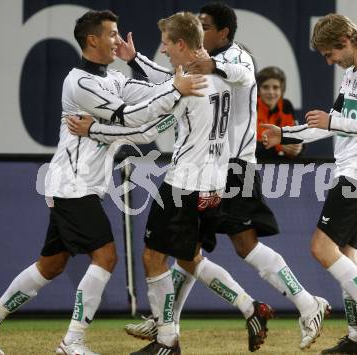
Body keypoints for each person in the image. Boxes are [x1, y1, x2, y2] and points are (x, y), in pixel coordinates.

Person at [0, 9, 205, 355]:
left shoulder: (112, 78)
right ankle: (72, 342)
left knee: (50, 265)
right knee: (106, 257)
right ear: (92, 40)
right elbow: (131, 117)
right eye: (113, 34)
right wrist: (175, 93)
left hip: (78, 185)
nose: (118, 39)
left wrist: (171, 77)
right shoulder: (80, 83)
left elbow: (152, 93)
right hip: (72, 185)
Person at [123, 2, 330, 351]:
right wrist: (133, 60)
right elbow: (171, 79)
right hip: (216, 168)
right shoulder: (202, 65)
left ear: (224, 33)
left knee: (242, 246)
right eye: (198, 25)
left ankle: (308, 304)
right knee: (189, 251)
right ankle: (166, 323)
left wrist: (211, 63)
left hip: (234, 166)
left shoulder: (239, 59)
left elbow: (243, 75)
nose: (201, 30)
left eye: (206, 25)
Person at [70, 11, 278, 355]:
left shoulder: (191, 84)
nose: (164, 49)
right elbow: (179, 79)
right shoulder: (218, 75)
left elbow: (145, 127)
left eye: (166, 43)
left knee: (153, 257)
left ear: (181, 44)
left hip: (185, 183)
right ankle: (249, 307)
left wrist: (94, 128)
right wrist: (134, 60)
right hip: (214, 182)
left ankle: (167, 340)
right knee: (189, 257)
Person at [261, 13, 357, 354]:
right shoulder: (353, 75)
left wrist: (334, 120)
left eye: (330, 54)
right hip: (354, 170)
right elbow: (330, 125)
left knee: (321, 248)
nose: (330, 61)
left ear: (344, 42)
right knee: (345, 255)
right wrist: (284, 133)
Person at [255, 66, 303, 161]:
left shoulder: (286, 106)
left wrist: (298, 148)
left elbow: (296, 137)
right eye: (265, 87)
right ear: (258, 90)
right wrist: (280, 146)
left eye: (275, 87)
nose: (271, 92)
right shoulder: (251, 106)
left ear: (282, 90)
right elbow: (249, 146)